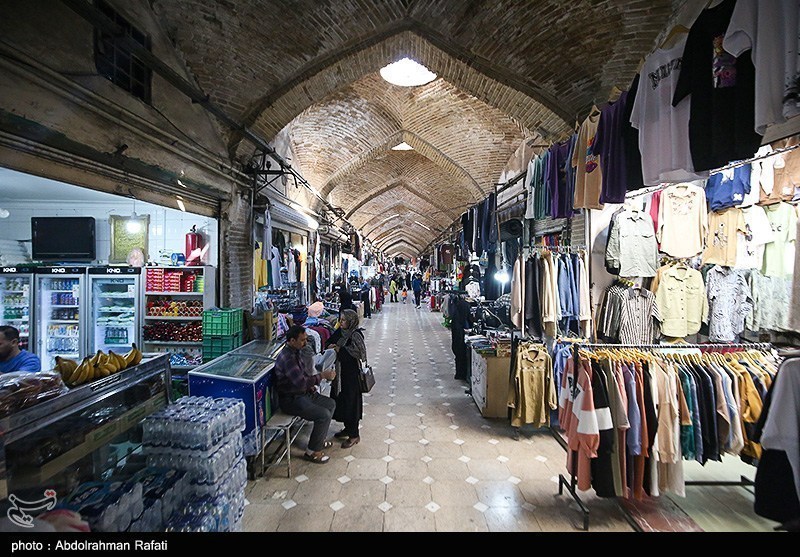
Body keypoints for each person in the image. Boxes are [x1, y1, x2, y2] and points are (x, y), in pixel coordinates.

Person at [273, 325, 337, 464]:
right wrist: (322, 376)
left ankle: (319, 441)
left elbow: (304, 377)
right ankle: (312, 452)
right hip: (291, 400)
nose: (306, 343)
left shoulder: (296, 353)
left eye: (306, 339)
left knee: (330, 404)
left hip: (303, 394)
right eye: (302, 340)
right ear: (292, 341)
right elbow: (301, 383)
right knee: (323, 415)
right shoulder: (287, 358)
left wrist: (312, 387)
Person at [325, 309, 366, 448]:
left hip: (351, 376)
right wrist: (331, 346)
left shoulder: (356, 335)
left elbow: (359, 353)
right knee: (342, 401)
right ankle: (348, 428)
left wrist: (339, 349)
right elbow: (329, 342)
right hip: (339, 374)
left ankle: (354, 435)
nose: (341, 322)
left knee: (351, 402)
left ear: (351, 321)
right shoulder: (340, 332)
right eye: (340, 319)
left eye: (343, 320)